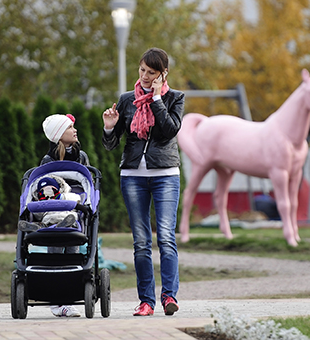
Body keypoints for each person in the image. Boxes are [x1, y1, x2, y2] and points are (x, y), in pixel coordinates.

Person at [102, 47, 183, 317]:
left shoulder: (175, 98)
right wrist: (110, 127)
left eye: (152, 72)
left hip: (166, 175)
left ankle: (169, 297)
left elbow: (169, 129)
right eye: (142, 70)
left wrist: (157, 99)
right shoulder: (127, 100)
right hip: (133, 177)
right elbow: (112, 146)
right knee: (140, 242)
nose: (145, 76)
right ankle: (146, 301)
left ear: (163, 74)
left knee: (167, 238)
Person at [40, 113, 90, 317]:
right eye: (70, 128)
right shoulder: (48, 159)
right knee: (56, 251)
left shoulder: (81, 156)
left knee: (72, 251)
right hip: (55, 205)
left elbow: (87, 183)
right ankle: (58, 301)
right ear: (60, 135)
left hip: (74, 208)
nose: (75, 130)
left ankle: (67, 298)